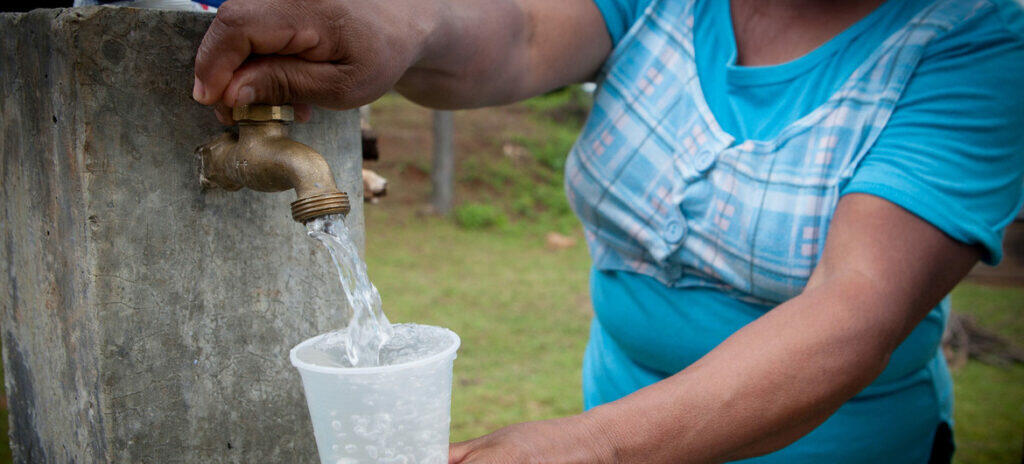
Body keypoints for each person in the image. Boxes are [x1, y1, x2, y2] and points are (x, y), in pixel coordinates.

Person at [193, 0, 1024, 462]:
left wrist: (594, 450)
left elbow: (855, 312)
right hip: (618, 415)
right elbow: (512, 36)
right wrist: (394, 27)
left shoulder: (979, 41)